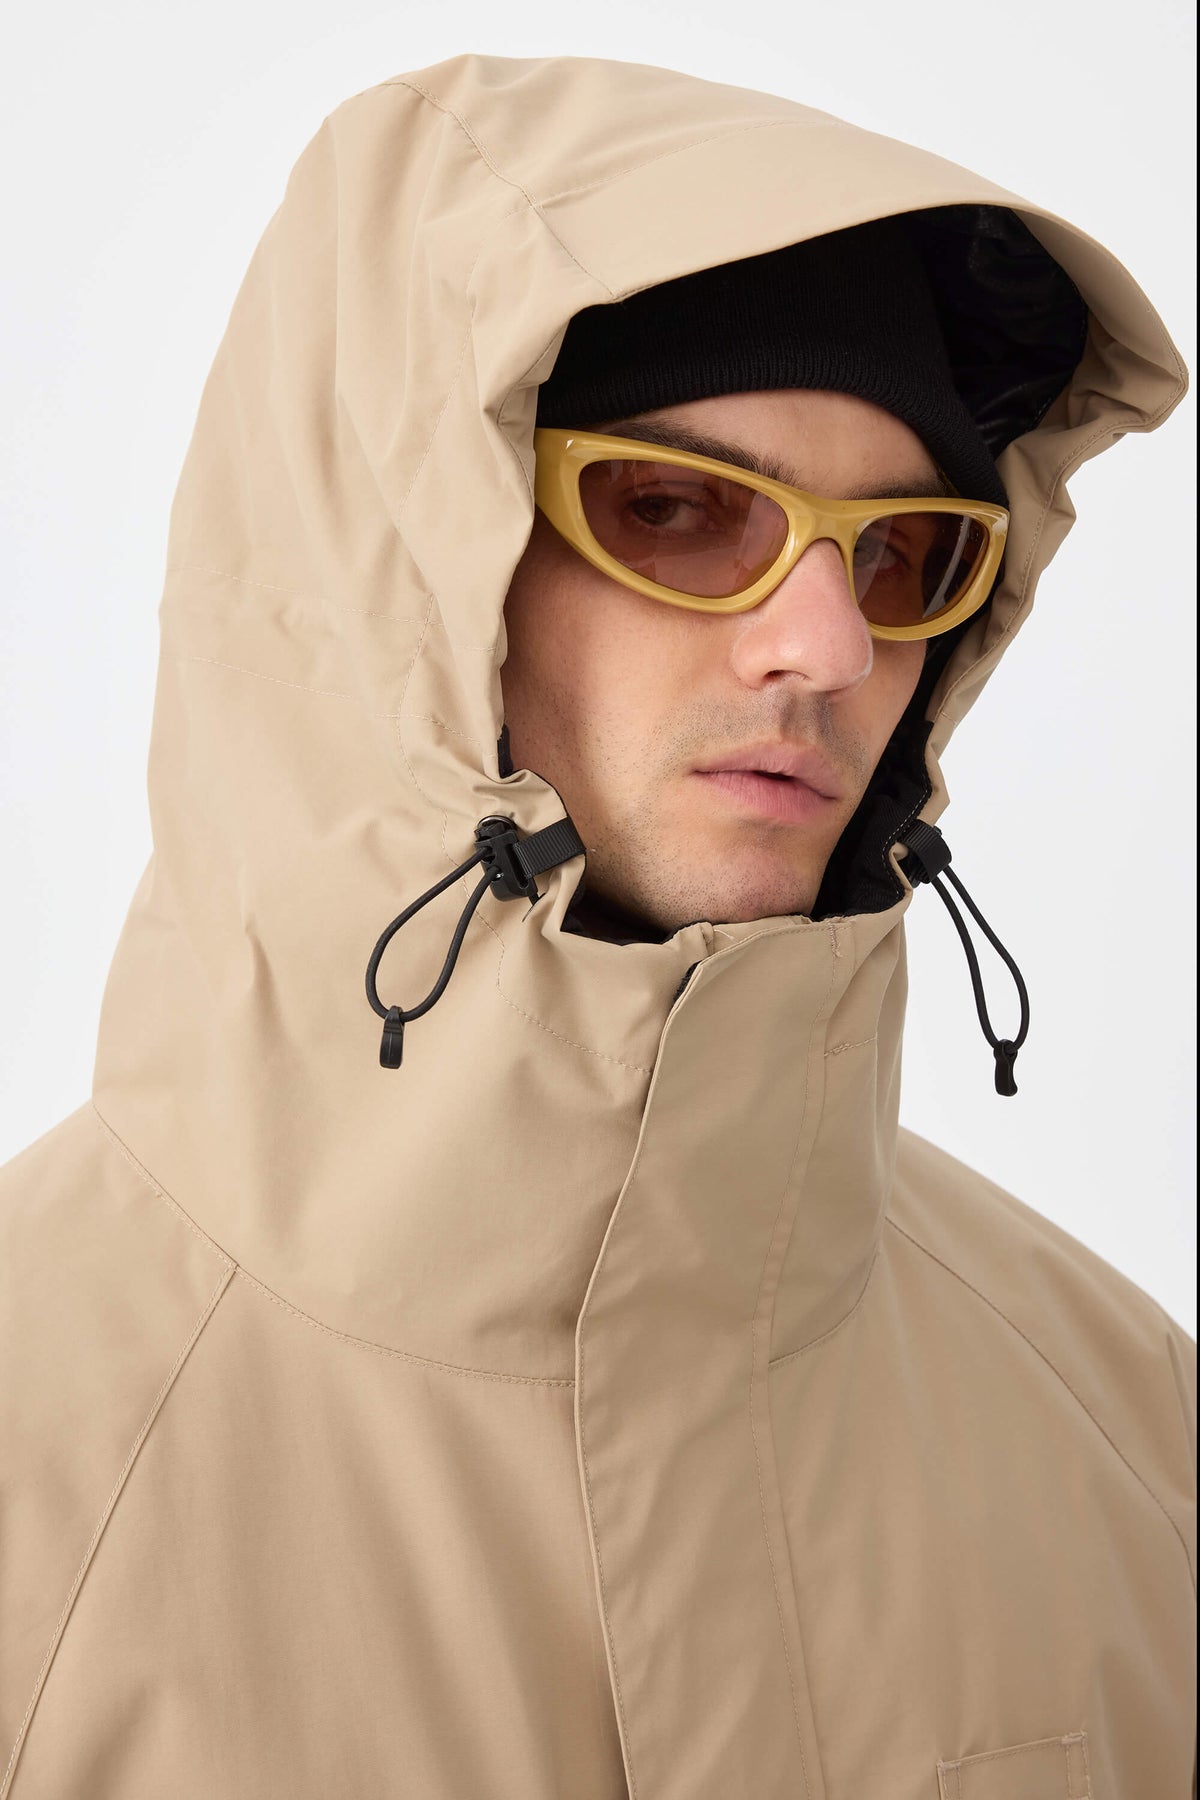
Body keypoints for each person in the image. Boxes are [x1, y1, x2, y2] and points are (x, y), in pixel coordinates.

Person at [0, 50, 1193, 1800]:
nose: (828, 647)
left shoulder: (1126, 1422)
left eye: (899, 556)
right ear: (409, 570)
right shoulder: (33, 1458)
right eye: (673, 510)